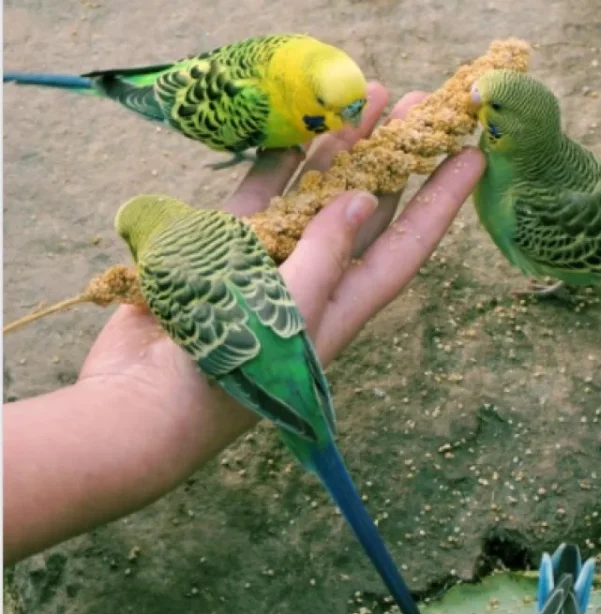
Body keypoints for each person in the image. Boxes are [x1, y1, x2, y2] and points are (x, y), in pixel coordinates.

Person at [3, 83, 486, 564]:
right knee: (316, 437)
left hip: (257, 365)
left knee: (311, 438)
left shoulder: (157, 276)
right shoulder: (222, 228)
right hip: (283, 334)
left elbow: (219, 351)